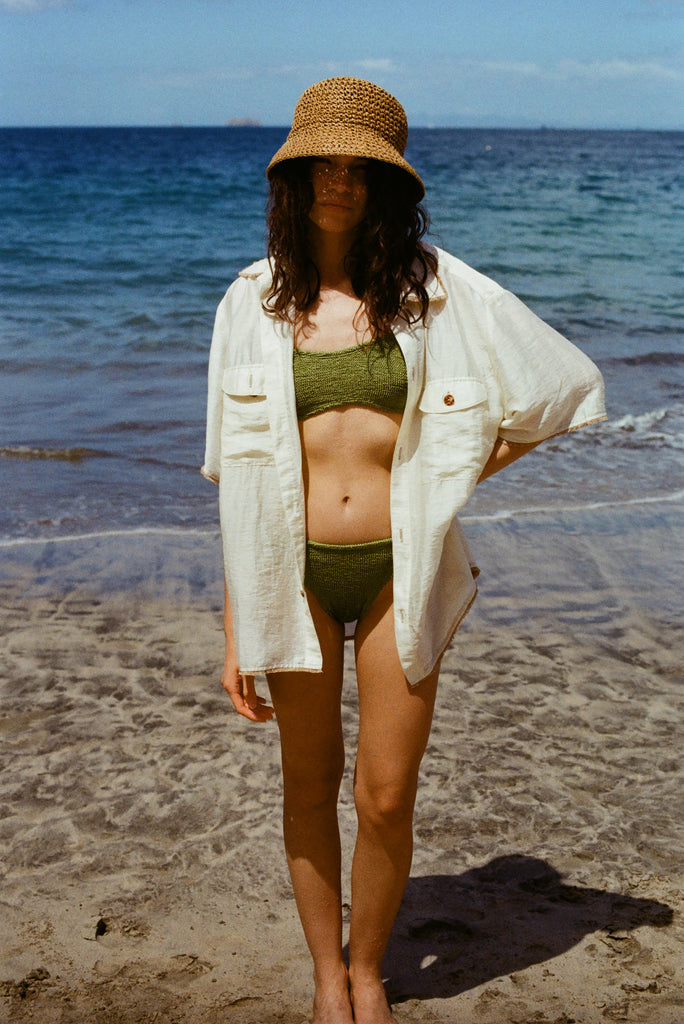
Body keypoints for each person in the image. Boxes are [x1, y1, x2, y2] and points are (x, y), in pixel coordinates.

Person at [202, 77, 605, 1024]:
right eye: (322, 165)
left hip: (401, 570)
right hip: (288, 576)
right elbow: (234, 475)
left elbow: (560, 386)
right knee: (308, 785)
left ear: (385, 184)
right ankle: (326, 976)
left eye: (359, 168)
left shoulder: (435, 291)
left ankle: (372, 968)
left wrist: (448, 480)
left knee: (383, 796)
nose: (338, 183)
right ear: (295, 178)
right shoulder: (247, 303)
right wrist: (235, 626)